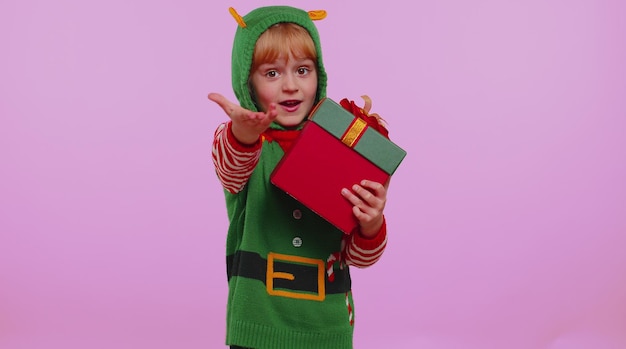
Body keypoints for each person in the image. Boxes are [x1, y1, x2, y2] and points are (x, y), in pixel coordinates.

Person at [208, 6, 391, 349]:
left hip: (329, 329)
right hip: (257, 326)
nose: (291, 85)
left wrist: (372, 224)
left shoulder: (340, 148)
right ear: (248, 82)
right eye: (272, 73)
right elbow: (230, 168)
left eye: (302, 70)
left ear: (318, 76)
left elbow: (359, 257)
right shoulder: (248, 145)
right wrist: (242, 132)